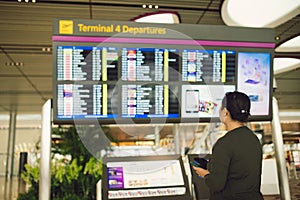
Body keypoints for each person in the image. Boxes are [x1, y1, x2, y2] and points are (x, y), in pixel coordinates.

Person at [192, 91, 263, 200]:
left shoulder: (224, 143)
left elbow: (216, 184)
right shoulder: (253, 139)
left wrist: (204, 173)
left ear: (225, 112)